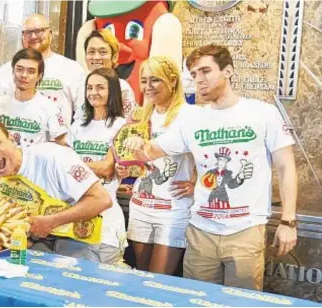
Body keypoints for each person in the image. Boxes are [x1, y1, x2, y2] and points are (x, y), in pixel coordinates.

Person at [123, 44, 297, 290]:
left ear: (228, 71)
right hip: (200, 231)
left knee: (242, 303)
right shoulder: (191, 118)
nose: (198, 80)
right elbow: (153, 150)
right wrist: (137, 143)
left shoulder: (262, 113)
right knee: (196, 299)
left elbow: (286, 167)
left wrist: (288, 222)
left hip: (245, 230)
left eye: (205, 71)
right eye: (194, 74)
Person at [0, 120, 112, 260]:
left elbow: (101, 200)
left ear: (11, 139)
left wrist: (51, 221)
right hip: (38, 243)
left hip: (80, 241)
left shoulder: (54, 156)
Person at [117, 56, 195, 275]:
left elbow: (206, 154)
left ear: (172, 81)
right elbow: (128, 156)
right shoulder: (140, 114)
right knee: (141, 276)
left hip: (173, 209)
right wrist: (124, 168)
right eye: (144, 80)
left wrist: (197, 184)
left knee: (159, 280)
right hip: (141, 204)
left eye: (155, 80)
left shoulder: (188, 114)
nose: (148, 87)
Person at [67, 68, 127, 264]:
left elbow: (107, 169)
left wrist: (75, 165)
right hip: (75, 218)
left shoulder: (122, 126)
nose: (93, 92)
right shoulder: (77, 127)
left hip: (108, 221)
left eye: (100, 87)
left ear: (113, 91)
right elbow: (62, 166)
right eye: (89, 87)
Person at [0, 14, 84, 125]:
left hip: (56, 139)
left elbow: (83, 114)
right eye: (28, 32)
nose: (33, 36)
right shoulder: (5, 70)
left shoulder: (71, 68)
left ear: (50, 33)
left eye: (39, 31)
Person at [0, 48, 66, 148]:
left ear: (39, 76)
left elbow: (62, 143)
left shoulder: (50, 107)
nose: (24, 75)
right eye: (19, 69)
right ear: (13, 71)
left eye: (31, 71)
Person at [74, 29, 136, 122]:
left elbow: (127, 125)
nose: (96, 57)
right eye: (91, 52)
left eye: (103, 52)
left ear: (114, 57)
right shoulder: (79, 85)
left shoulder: (122, 87)